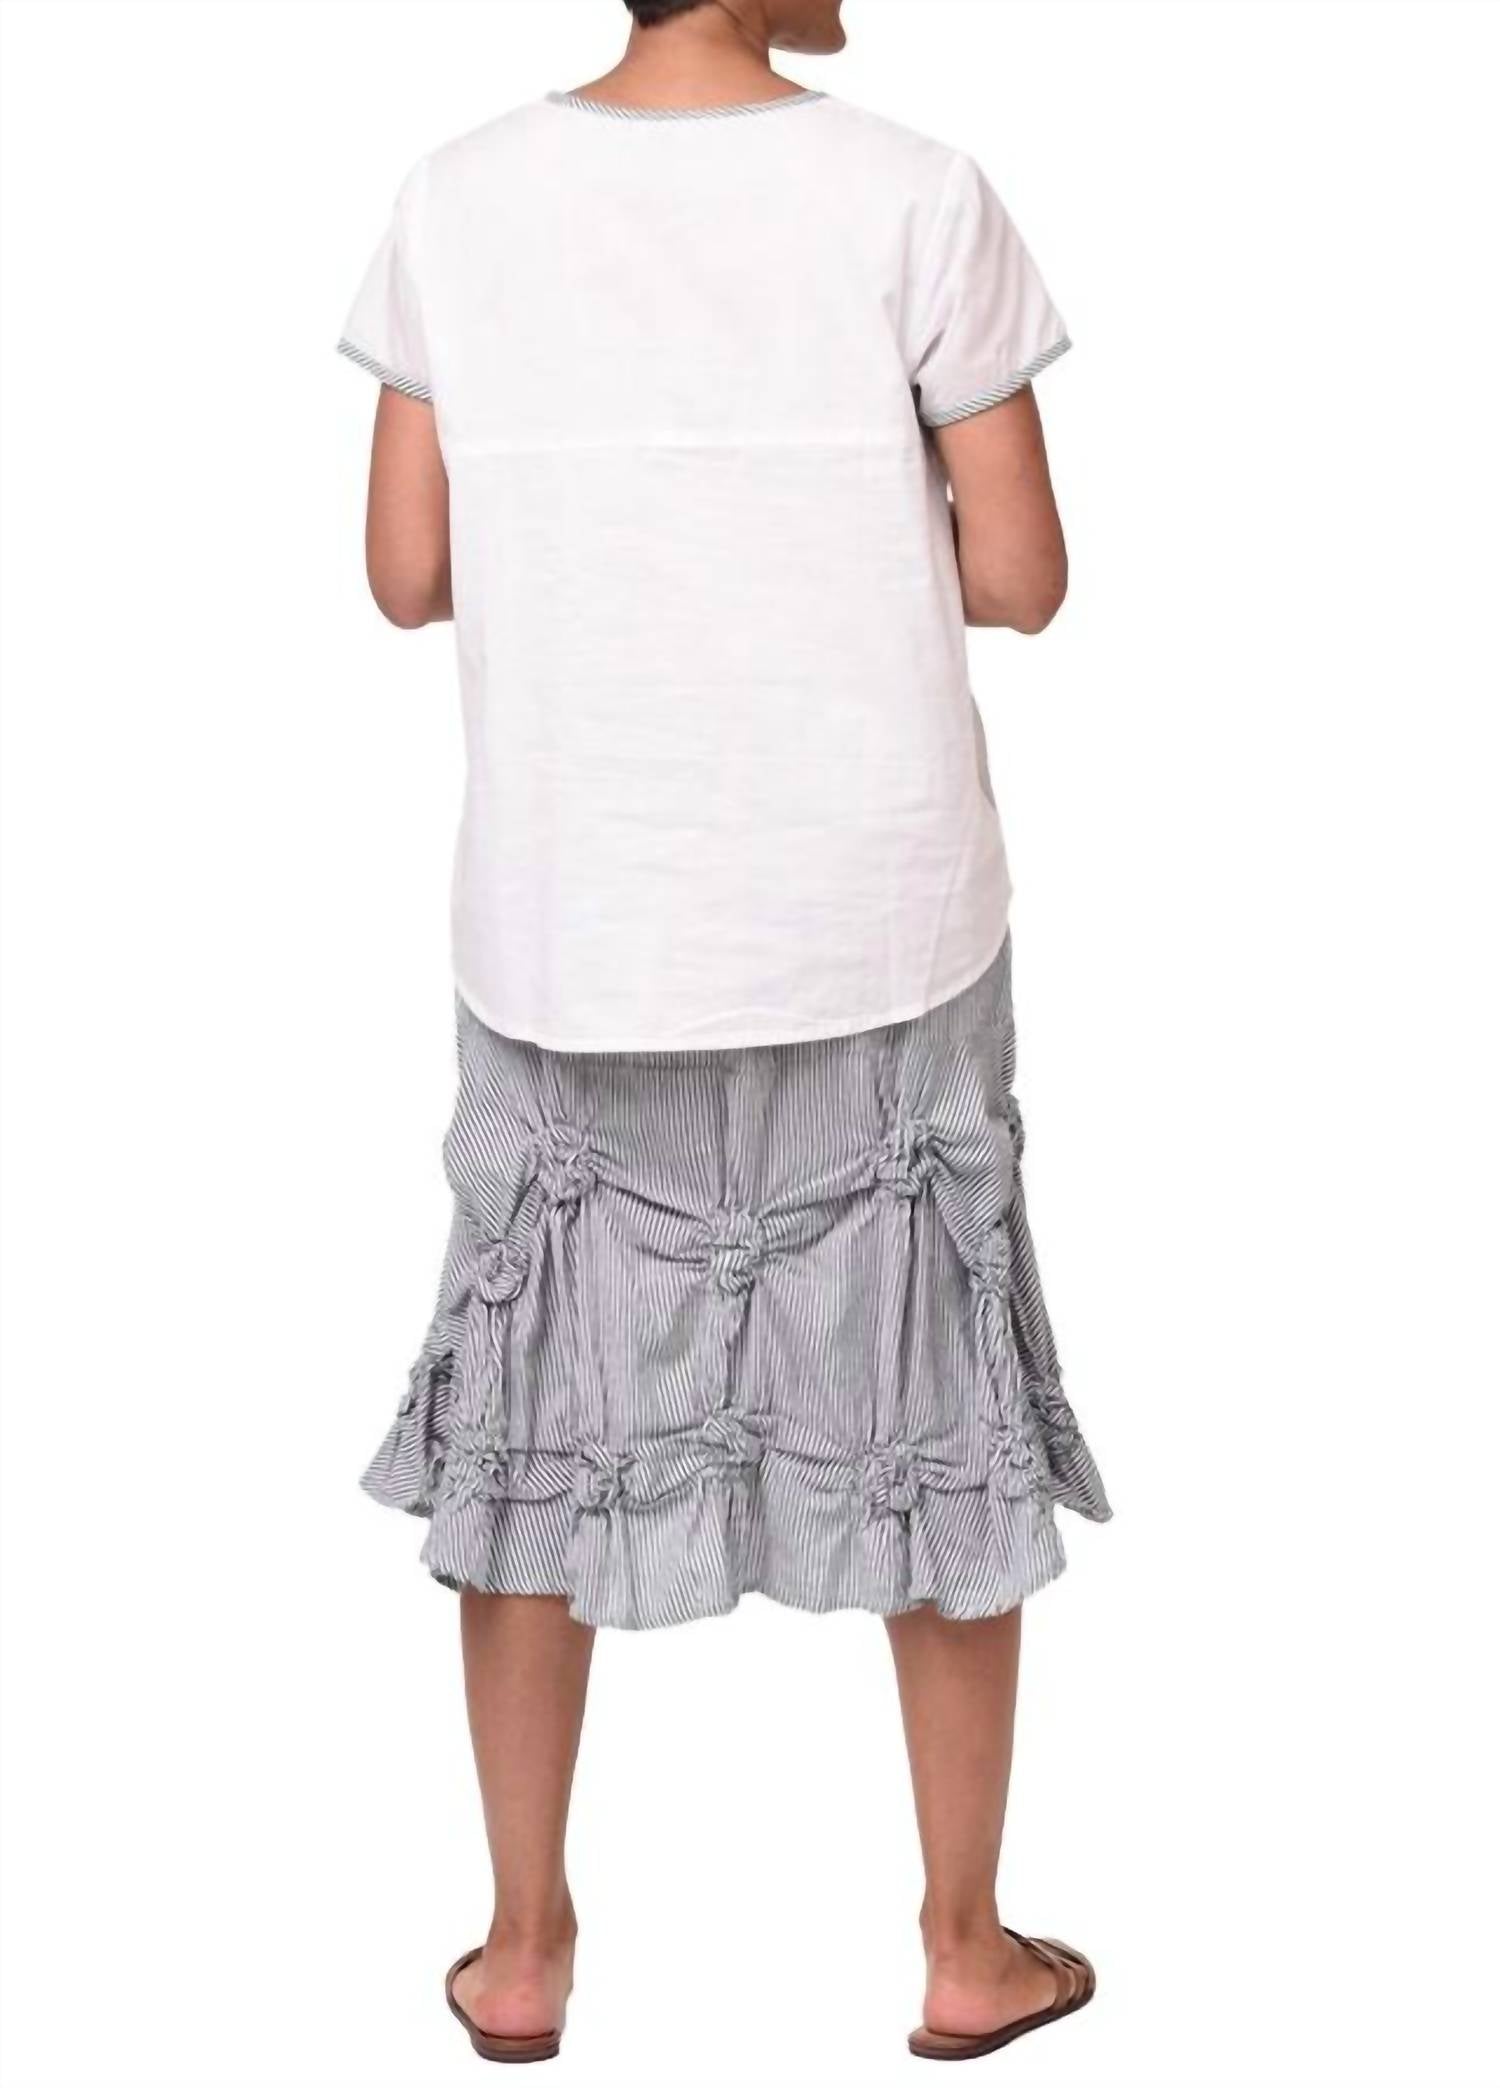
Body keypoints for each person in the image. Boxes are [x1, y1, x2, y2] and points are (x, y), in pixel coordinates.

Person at [337, 0, 1110, 2064]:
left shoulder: (457, 198)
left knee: (531, 1426)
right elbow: (1026, 573)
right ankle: (963, 1943)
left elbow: (404, 569)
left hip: (575, 925)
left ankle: (522, 1949)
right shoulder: (918, 193)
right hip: (876, 917)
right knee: (934, 1406)